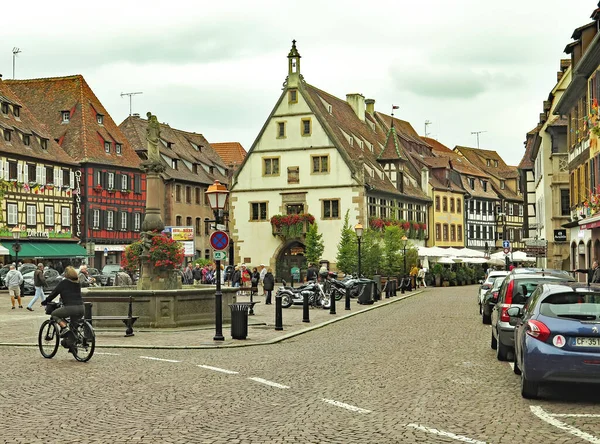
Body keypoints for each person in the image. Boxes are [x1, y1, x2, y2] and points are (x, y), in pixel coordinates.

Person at [42, 266, 84, 348]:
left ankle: (64, 327)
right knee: (73, 326)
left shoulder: (64, 283)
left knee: (54, 314)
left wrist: (45, 301)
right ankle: (71, 345)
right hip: (81, 308)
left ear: (66, 274)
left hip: (70, 308)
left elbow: (54, 293)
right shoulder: (77, 282)